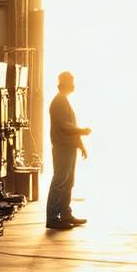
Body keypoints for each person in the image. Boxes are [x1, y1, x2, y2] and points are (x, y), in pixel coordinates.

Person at [46, 70, 92, 230]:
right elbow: (65, 126)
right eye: (71, 81)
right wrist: (82, 131)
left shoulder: (64, 101)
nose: (73, 84)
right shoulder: (58, 102)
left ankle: (65, 214)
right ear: (64, 82)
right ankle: (53, 218)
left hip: (69, 147)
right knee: (60, 181)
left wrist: (81, 145)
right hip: (62, 147)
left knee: (68, 182)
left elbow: (70, 126)